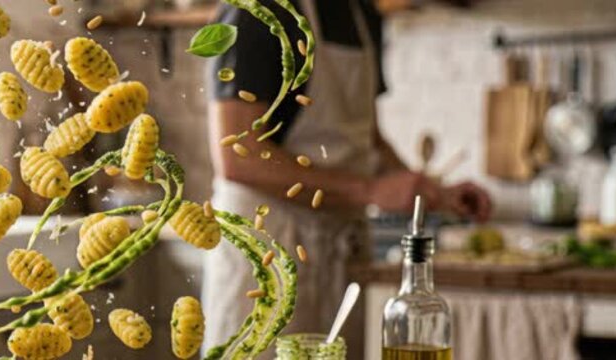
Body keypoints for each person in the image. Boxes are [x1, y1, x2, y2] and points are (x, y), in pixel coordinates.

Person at [200, 0, 492, 356]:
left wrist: (431, 191)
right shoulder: (257, 12)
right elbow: (237, 156)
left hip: (341, 250)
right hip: (268, 253)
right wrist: (369, 190)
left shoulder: (361, 14)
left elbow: (366, 137)